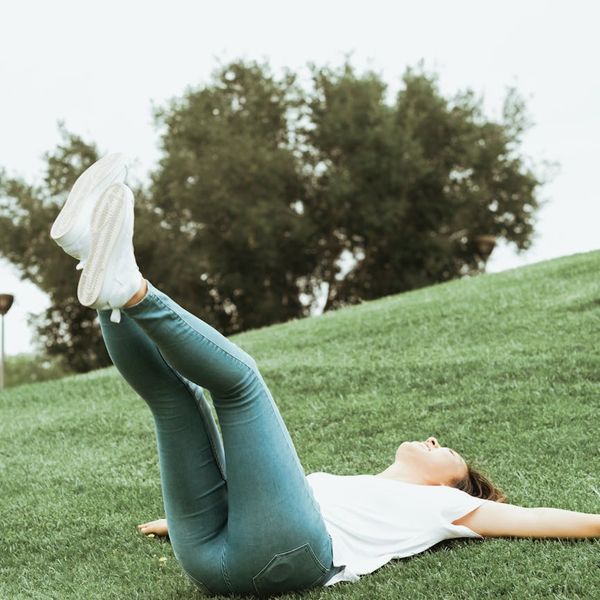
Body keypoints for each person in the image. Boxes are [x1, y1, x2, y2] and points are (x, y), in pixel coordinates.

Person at [51, 155, 600, 597]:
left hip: (287, 559)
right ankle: (99, 272)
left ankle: (132, 287)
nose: (434, 440)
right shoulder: (344, 486)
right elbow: (256, 494)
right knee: (176, 400)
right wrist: (173, 521)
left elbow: (537, 517)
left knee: (241, 384)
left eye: (446, 452)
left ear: (451, 483)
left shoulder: (450, 508)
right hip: (207, 557)